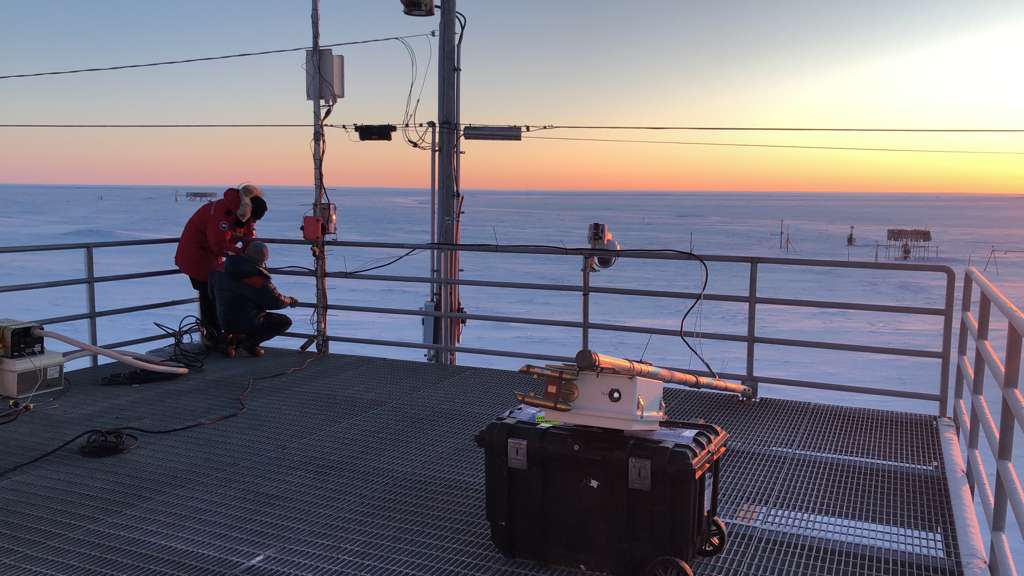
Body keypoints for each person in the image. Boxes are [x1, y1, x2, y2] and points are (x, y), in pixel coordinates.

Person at [174, 184, 267, 346]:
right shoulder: (221, 214)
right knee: (209, 294)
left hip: (211, 258)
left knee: (216, 293)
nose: (252, 223)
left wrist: (251, 252)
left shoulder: (242, 211)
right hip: (196, 257)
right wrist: (243, 255)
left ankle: (221, 334)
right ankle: (213, 336)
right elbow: (218, 244)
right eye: (252, 220)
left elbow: (246, 235)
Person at [209, 241, 297, 358]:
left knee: (239, 314)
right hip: (248, 321)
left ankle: (230, 341)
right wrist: (290, 300)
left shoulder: (220, 269)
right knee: (283, 322)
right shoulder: (257, 278)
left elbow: (211, 294)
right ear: (262, 260)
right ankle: (249, 343)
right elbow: (275, 301)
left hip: (223, 319)